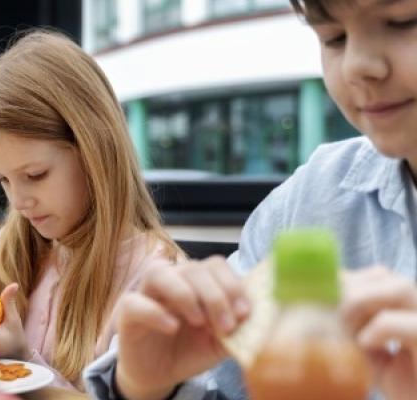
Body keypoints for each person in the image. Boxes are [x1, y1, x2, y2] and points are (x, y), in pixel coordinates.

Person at [83, 0, 417, 398]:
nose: (355, 67)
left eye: (403, 22)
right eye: (334, 38)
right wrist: (147, 384)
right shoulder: (312, 200)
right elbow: (223, 385)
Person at [0, 30, 184, 390]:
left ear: (95, 152)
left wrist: (21, 358)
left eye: (35, 175)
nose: (19, 201)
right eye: (3, 180)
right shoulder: (6, 254)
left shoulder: (154, 280)